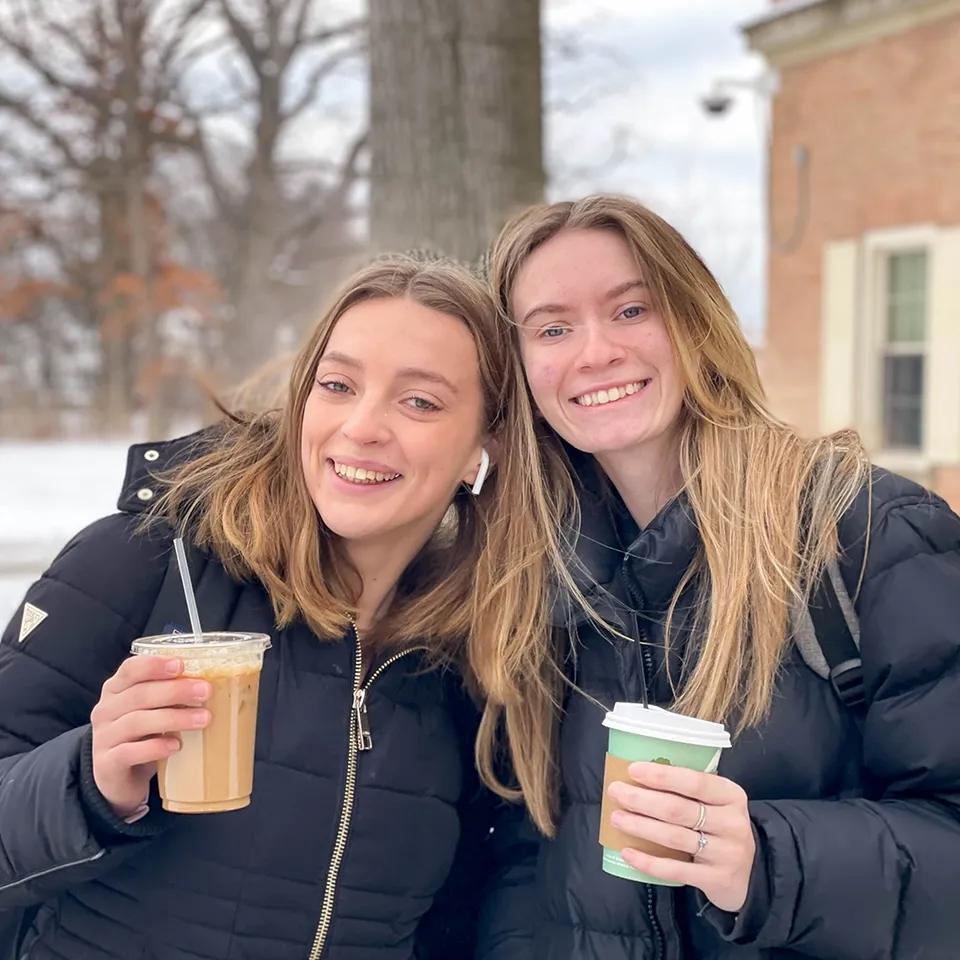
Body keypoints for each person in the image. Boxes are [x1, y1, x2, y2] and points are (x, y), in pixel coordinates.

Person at [0, 253, 566, 960]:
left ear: (486, 446)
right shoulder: (149, 562)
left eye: (419, 401)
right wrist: (92, 780)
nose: (362, 426)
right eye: (338, 385)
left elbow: (477, 910)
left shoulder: (479, 658)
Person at [484, 195, 960, 959]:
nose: (595, 351)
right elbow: (520, 860)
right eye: (552, 328)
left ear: (695, 322)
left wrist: (767, 861)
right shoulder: (531, 578)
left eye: (631, 309)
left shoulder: (865, 533)